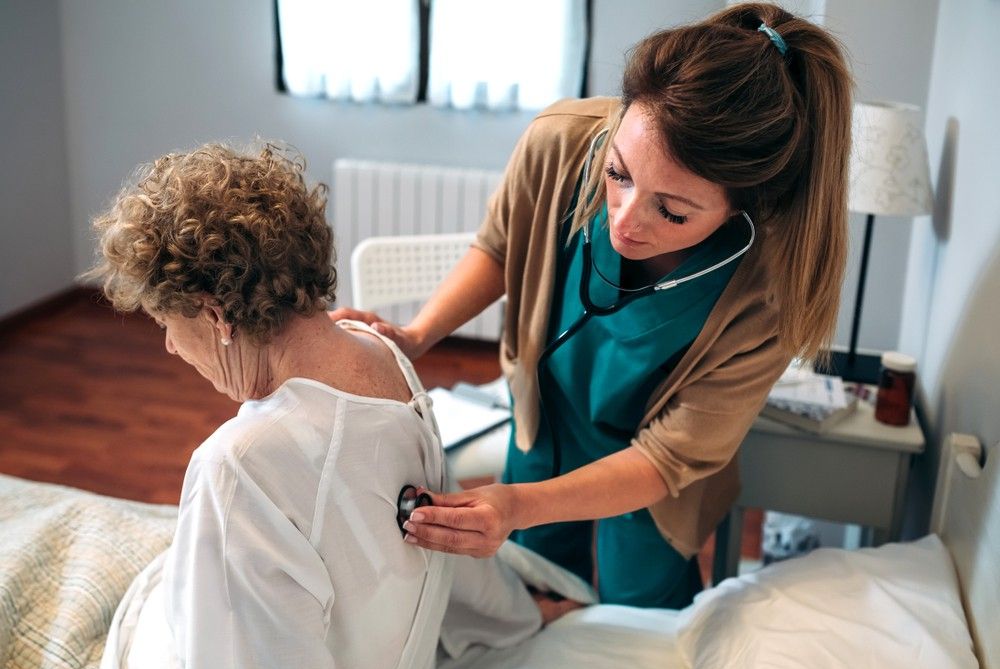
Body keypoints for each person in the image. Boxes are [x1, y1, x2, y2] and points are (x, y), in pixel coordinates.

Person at [330, 3, 852, 610]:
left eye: (673, 211)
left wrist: (519, 502)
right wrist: (418, 334)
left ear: (744, 206)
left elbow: (666, 458)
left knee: (643, 607)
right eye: (618, 174)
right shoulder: (560, 142)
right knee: (534, 583)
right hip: (549, 414)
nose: (626, 220)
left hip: (656, 475)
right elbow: (503, 246)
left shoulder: (774, 289)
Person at [88, 143, 547, 669]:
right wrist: (519, 615)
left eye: (166, 323)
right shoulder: (384, 352)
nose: (169, 345)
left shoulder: (239, 467)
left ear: (215, 317)